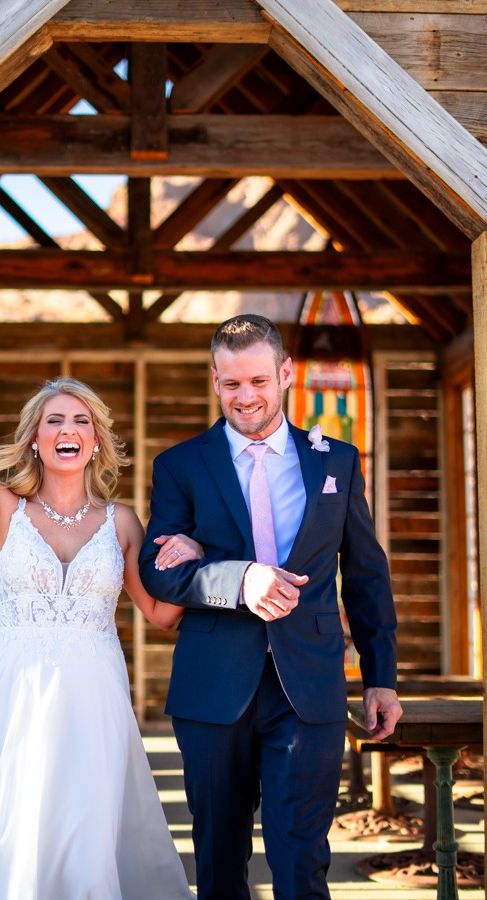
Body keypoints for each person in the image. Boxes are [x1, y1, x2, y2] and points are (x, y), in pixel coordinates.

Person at [0, 307, 198, 900]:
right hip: (13, 695)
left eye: (81, 420)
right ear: (36, 436)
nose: (68, 428)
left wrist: (193, 558)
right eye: (54, 418)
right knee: (15, 835)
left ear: (95, 440)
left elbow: (161, 615)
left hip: (95, 698)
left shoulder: (123, 522)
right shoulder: (1, 512)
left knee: (86, 846)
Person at [139, 313, 403, 900]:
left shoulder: (336, 460)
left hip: (309, 687)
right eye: (231, 383)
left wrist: (381, 678)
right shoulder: (181, 465)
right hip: (212, 688)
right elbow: (158, 573)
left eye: (259, 380)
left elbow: (364, 574)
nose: (246, 396)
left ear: (285, 373)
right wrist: (240, 579)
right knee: (218, 861)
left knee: (301, 859)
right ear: (214, 379)